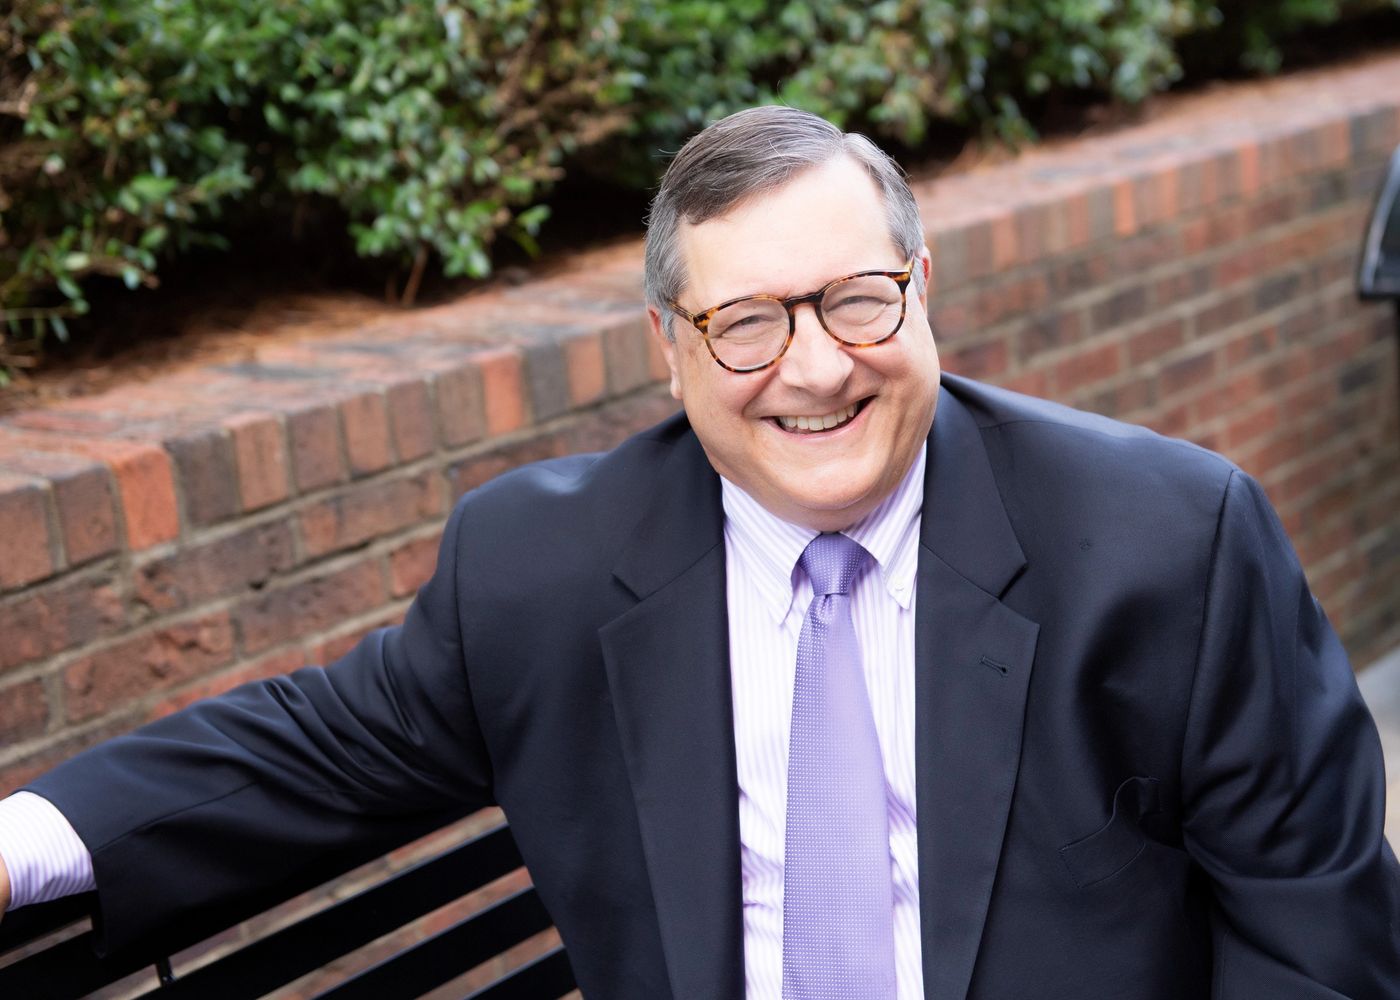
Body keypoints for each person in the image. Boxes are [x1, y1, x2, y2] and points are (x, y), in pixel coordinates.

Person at [0, 105, 1397, 999]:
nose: (812, 370)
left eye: (853, 301)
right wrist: (24, 845)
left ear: (922, 292)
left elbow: (1316, 934)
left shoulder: (1169, 542)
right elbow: (313, 749)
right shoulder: (539, 566)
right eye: (747, 325)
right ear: (669, 350)